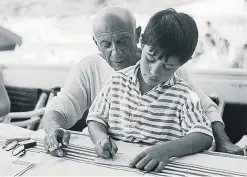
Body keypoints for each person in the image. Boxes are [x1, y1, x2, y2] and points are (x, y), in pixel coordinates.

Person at [43, 5, 244, 157]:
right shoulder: (90, 67)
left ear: (138, 35)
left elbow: (204, 107)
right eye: (106, 44)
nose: (116, 51)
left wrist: (223, 142)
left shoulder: (169, 66)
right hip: (109, 155)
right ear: (96, 43)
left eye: (122, 41)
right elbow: (62, 106)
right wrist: (53, 129)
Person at [87, 9, 213, 172]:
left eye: (167, 67)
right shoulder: (116, 81)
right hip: (112, 167)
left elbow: (203, 136)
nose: (154, 71)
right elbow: (96, 119)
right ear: (141, 41)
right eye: (150, 59)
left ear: (183, 63)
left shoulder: (183, 95)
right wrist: (100, 139)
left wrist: (165, 150)